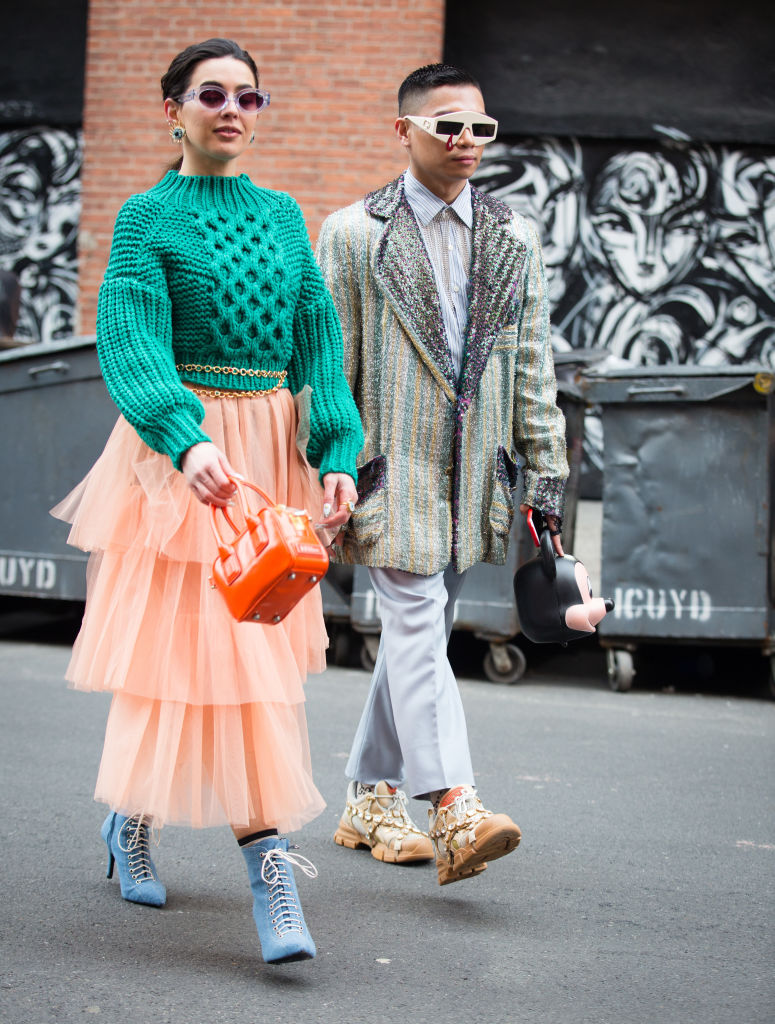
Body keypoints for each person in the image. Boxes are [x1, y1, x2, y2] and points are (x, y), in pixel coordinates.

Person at [52, 38, 363, 963]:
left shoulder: (281, 217)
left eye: (250, 97)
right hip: (180, 460)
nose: (233, 109)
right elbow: (132, 342)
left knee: (253, 671)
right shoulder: (146, 219)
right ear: (173, 109)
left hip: (269, 459)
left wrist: (337, 450)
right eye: (213, 94)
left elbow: (318, 348)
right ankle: (150, 829)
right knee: (174, 664)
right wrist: (183, 437)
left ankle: (257, 862)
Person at [316, 63, 568, 886]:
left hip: (476, 479)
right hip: (389, 472)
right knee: (419, 631)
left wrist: (547, 474)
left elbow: (531, 364)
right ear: (405, 131)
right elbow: (329, 365)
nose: (465, 142)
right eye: (446, 126)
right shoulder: (354, 233)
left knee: (414, 646)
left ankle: (366, 798)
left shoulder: (513, 235)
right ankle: (454, 803)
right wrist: (329, 461)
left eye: (478, 129)